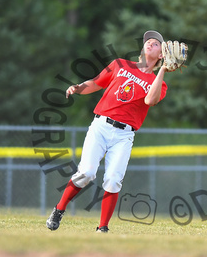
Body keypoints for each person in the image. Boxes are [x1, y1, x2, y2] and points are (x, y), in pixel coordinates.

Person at [46, 30, 169, 233]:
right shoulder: (120, 64)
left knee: (113, 179)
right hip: (101, 126)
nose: (150, 44)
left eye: (156, 44)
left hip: (124, 135)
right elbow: (96, 82)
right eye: (148, 42)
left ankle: (102, 228)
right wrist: (78, 88)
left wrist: (163, 70)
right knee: (86, 172)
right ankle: (59, 209)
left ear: (161, 54)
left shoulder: (159, 83)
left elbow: (150, 100)